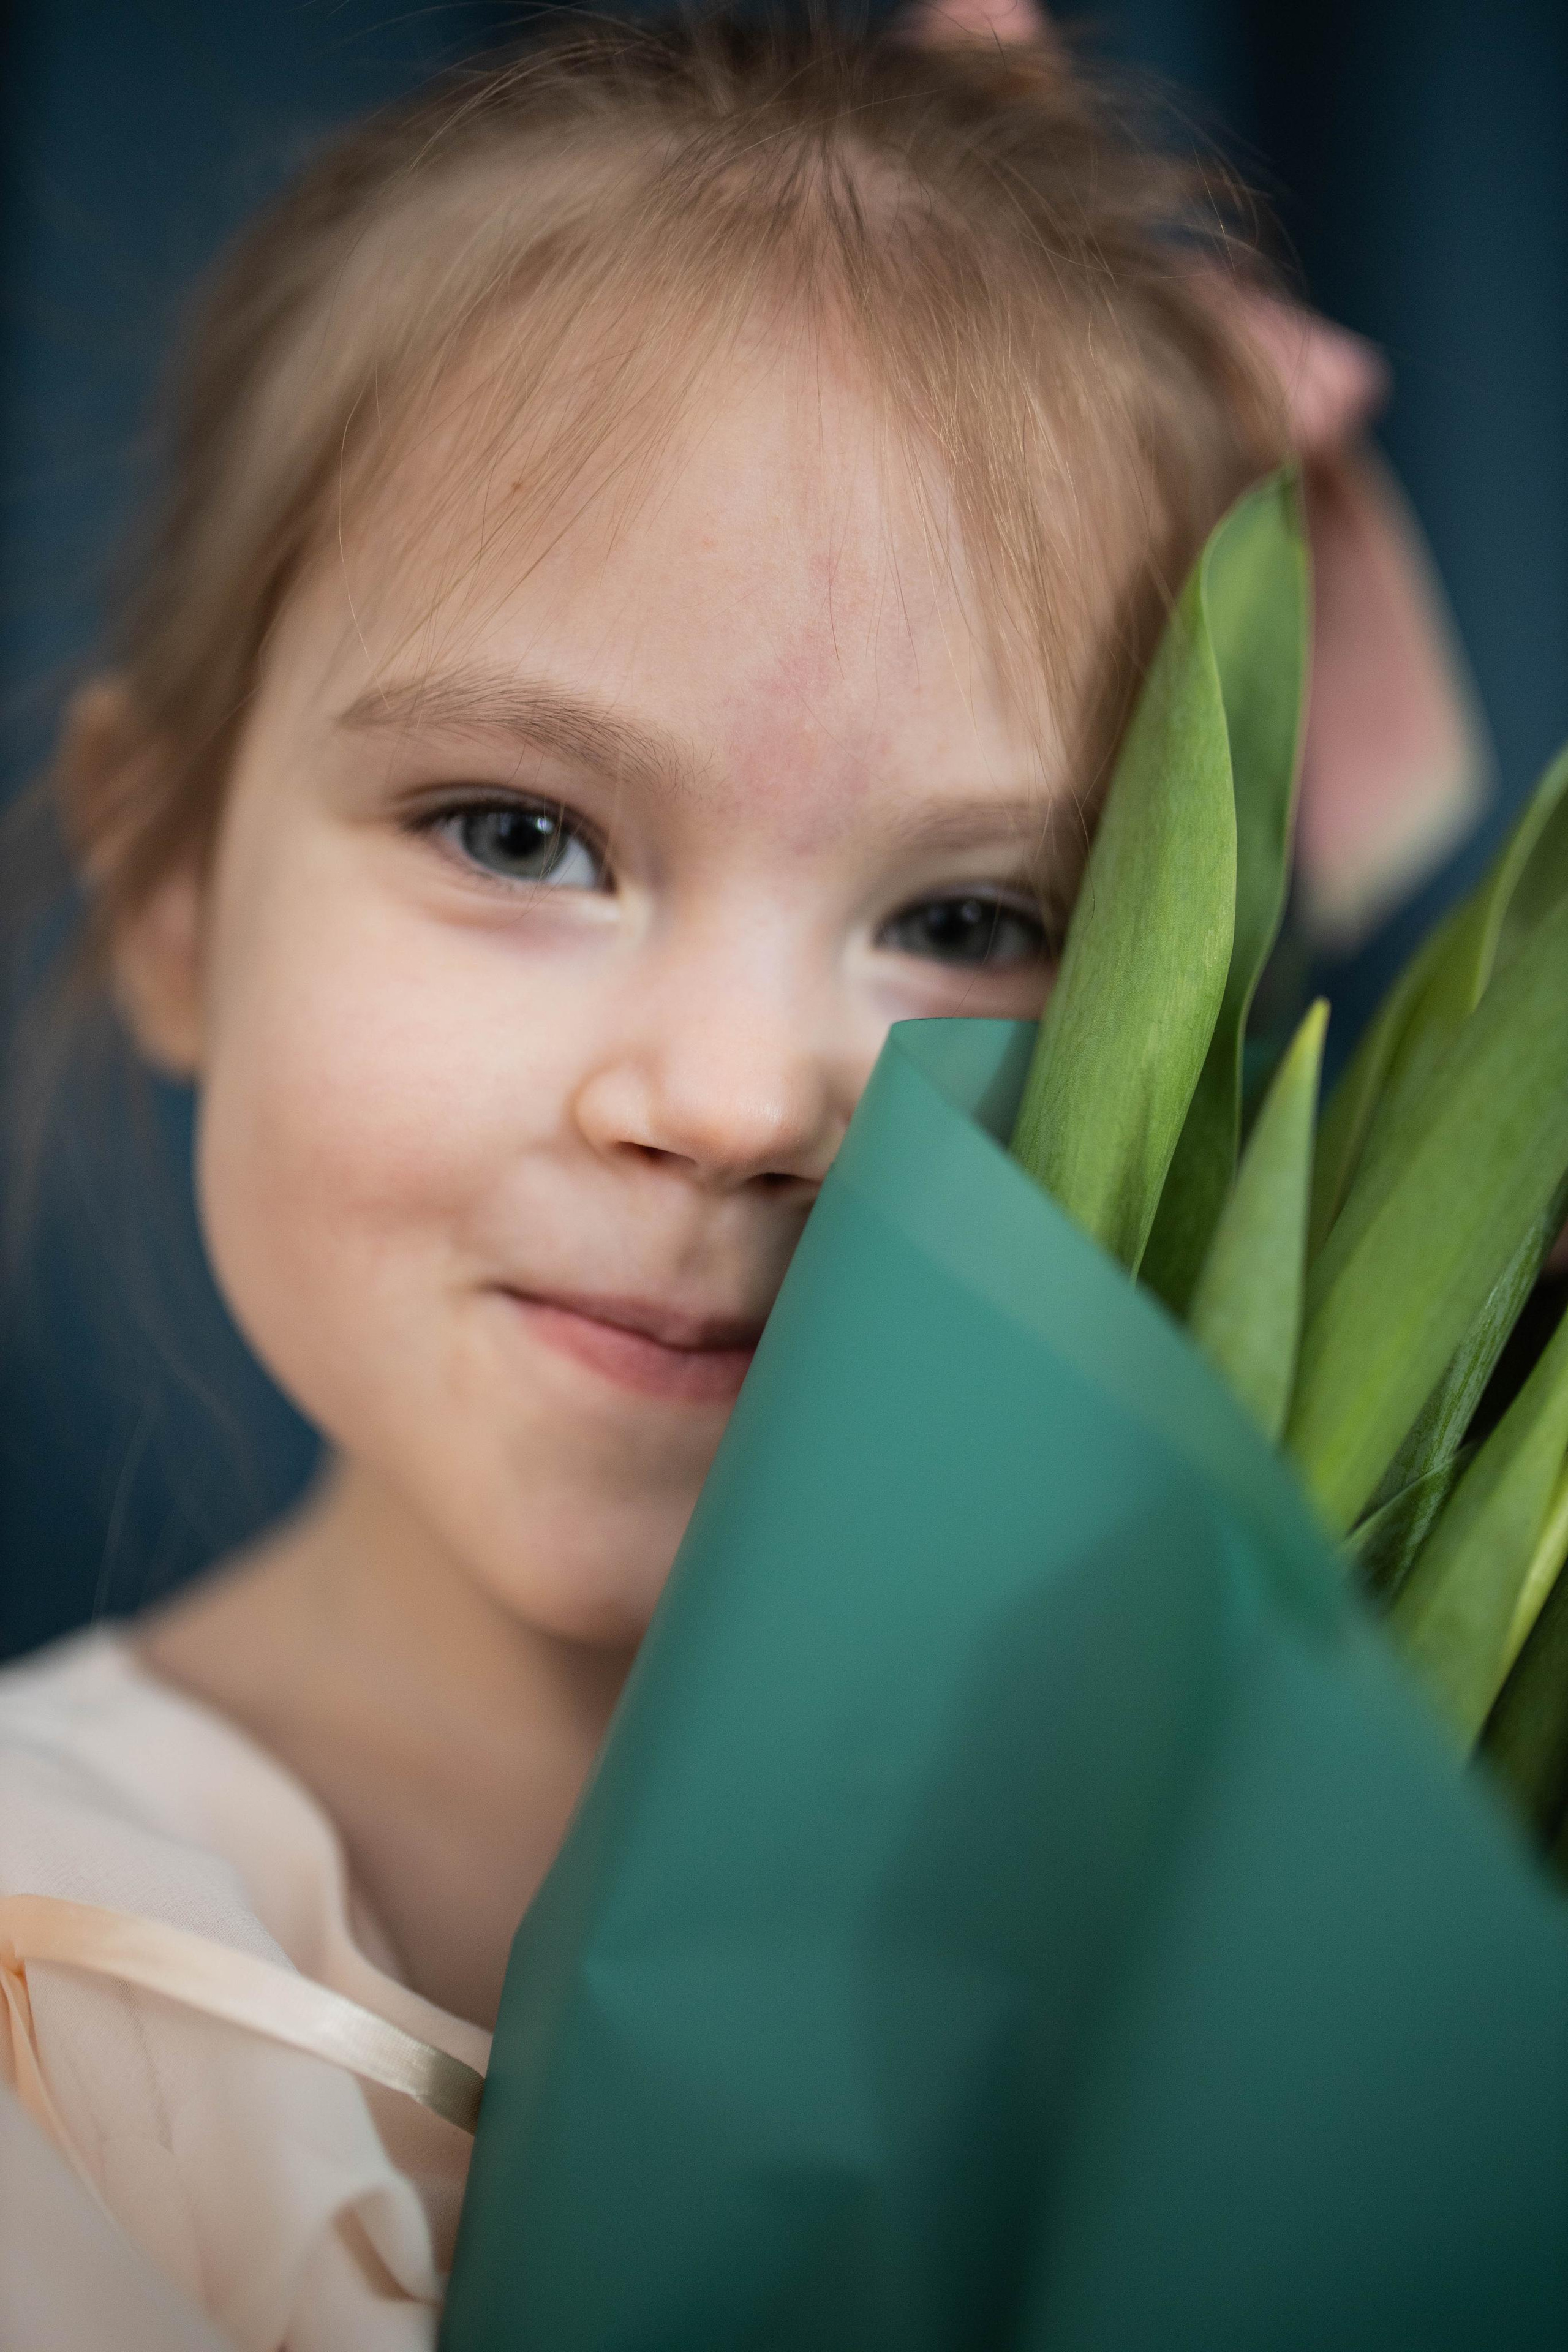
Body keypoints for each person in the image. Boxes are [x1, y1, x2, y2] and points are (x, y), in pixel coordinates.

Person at [0, 3, 1483, 2343]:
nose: (740, 1099)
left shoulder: (1222, 1924)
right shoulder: (47, 1976)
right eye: (522, 832)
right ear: (170, 886)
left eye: (977, 924)